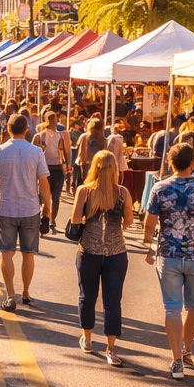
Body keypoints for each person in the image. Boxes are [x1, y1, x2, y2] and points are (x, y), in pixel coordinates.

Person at [142, 143, 194, 380]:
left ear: (170, 163)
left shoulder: (160, 188)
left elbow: (149, 224)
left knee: (172, 307)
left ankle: (176, 359)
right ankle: (187, 348)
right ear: (193, 163)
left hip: (169, 255)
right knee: (193, 307)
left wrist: (149, 245)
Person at [70, 150, 132, 366]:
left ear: (93, 168)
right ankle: (111, 349)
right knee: (112, 301)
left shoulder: (84, 191)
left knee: (87, 296)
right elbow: (130, 222)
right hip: (116, 253)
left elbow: (76, 219)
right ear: (114, 169)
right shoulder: (123, 193)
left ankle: (87, 339)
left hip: (89, 251)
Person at [0, 114, 52, 312]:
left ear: (8, 130)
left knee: (6, 253)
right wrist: (47, 207)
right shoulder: (36, 152)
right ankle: (26, 292)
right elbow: (44, 182)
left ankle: (10, 294)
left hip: (6, 208)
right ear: (26, 130)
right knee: (28, 253)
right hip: (30, 208)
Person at [34, 111, 72, 233]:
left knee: (55, 197)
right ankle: (46, 216)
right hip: (46, 168)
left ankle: (52, 219)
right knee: (46, 196)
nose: (54, 122)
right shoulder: (41, 135)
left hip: (57, 167)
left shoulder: (60, 135)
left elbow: (66, 151)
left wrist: (68, 164)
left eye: (55, 119)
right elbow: (33, 151)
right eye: (52, 119)